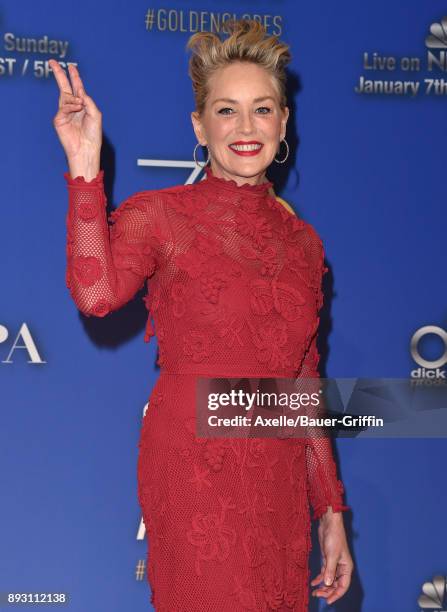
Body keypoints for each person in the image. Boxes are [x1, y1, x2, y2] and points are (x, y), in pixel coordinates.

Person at [50, 18, 353, 611]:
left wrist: (331, 511)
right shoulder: (159, 215)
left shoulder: (305, 244)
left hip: (277, 478)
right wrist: (85, 166)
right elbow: (96, 295)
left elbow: (301, 386)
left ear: (284, 123)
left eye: (262, 109)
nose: (246, 128)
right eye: (226, 110)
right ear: (199, 125)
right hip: (195, 467)